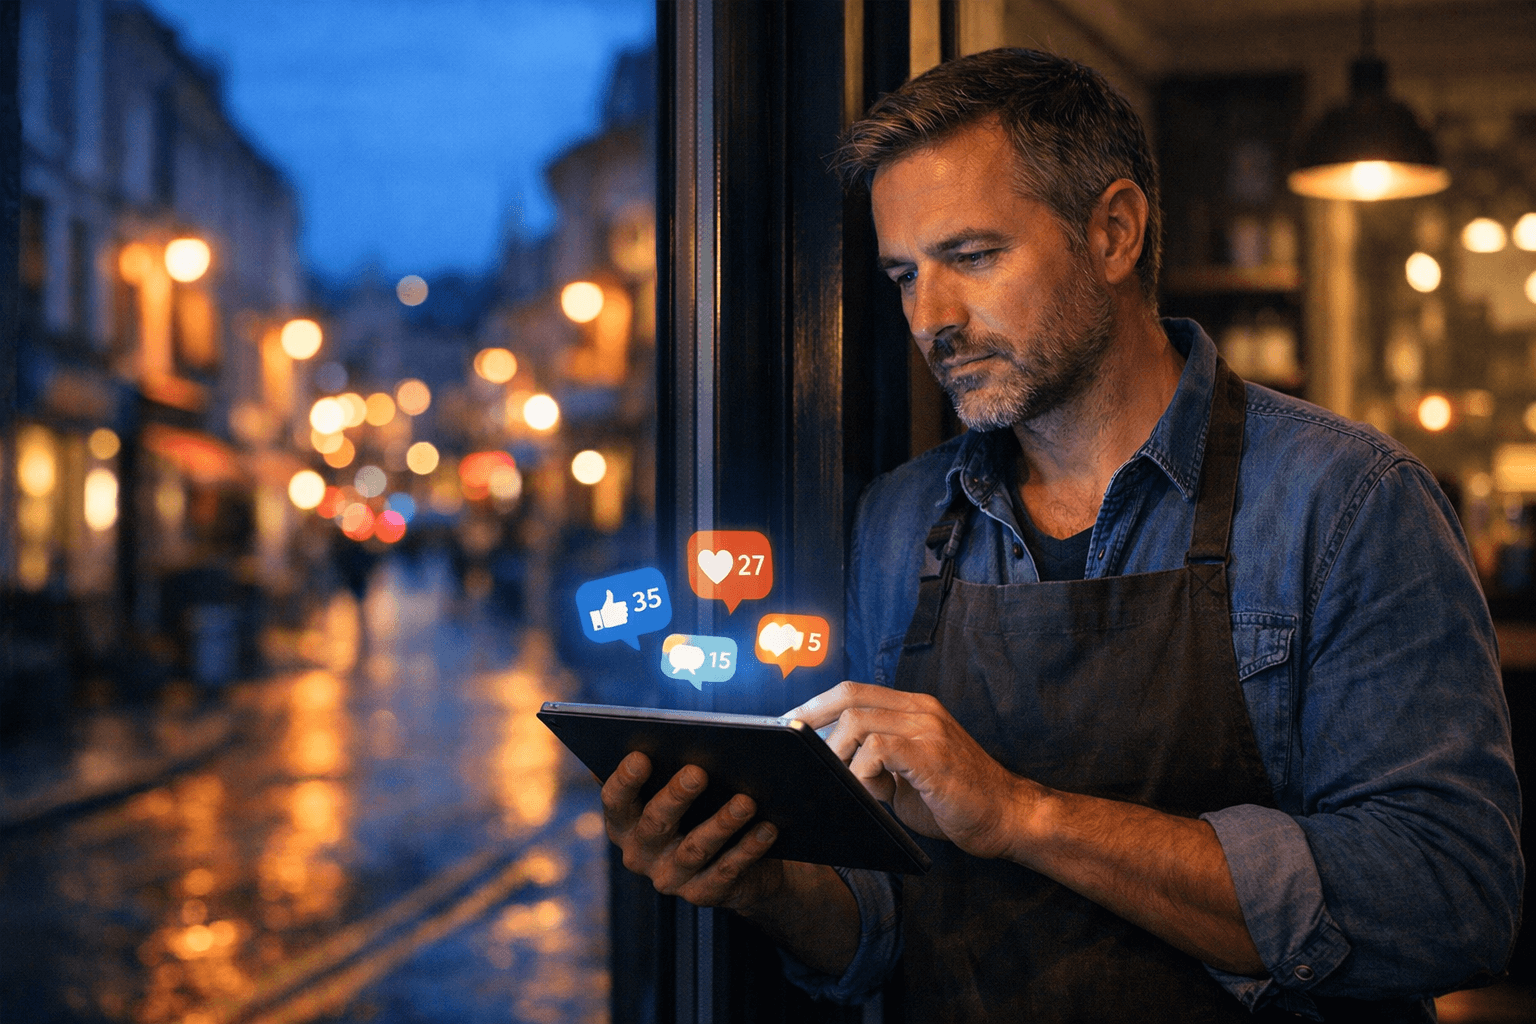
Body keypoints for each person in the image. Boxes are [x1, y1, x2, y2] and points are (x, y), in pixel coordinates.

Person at [600, 48, 1522, 1022]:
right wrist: (758, 880)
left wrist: (1021, 813)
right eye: (905, 273)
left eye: (972, 257)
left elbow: (1450, 899)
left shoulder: (1343, 500)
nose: (931, 318)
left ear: (1114, 231)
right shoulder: (903, 520)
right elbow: (881, 924)